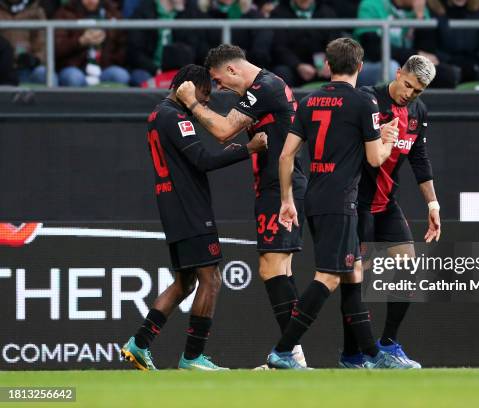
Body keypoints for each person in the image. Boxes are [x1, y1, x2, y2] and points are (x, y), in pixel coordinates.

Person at [267, 37, 412, 369]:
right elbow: (375, 160)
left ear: (328, 66)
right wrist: (388, 141)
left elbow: (287, 154)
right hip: (341, 199)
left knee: (352, 273)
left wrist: (286, 199)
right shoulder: (364, 102)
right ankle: (284, 349)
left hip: (315, 197)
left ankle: (367, 357)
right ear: (360, 67)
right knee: (330, 276)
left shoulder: (308, 101)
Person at [120, 64, 268, 371]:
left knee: (185, 282)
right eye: (204, 94)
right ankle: (192, 356)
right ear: (188, 88)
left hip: (172, 204)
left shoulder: (157, 114)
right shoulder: (175, 116)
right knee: (211, 279)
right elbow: (202, 159)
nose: (206, 102)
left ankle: (139, 343)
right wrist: (248, 148)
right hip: (189, 207)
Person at [175, 44, 309, 367]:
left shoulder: (264, 88)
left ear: (233, 70)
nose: (220, 88)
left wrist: (191, 101)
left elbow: (222, 131)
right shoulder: (265, 88)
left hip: (280, 187)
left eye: (220, 81)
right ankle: (294, 356)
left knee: (271, 268)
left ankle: (289, 354)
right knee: (282, 270)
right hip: (278, 184)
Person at [338, 55, 440, 369]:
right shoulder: (368, 99)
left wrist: (433, 205)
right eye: (407, 84)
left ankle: (389, 344)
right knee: (357, 282)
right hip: (358, 203)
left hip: (387, 204)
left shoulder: (417, 112)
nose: (409, 93)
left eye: (417, 90)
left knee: (407, 271)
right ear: (398, 73)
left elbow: (420, 159)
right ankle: (352, 355)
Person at [53, 0, 129, 87]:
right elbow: (56, 48)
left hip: (104, 68)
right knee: (74, 77)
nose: (91, 0)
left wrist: (109, 56)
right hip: (73, 68)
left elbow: (122, 46)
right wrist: (80, 41)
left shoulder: (112, 12)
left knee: (120, 75)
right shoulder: (65, 13)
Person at [269, 0, 340, 87]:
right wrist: (297, 65)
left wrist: (330, 62)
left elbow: (336, 42)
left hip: (325, 68)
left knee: (344, 70)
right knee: (281, 72)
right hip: (293, 69)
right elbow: (278, 47)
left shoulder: (327, 12)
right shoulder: (278, 13)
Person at [0, 0, 48, 85]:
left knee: (44, 74)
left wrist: (35, 59)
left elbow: (42, 43)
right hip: (3, 66)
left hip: (28, 68)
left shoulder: (36, 11)